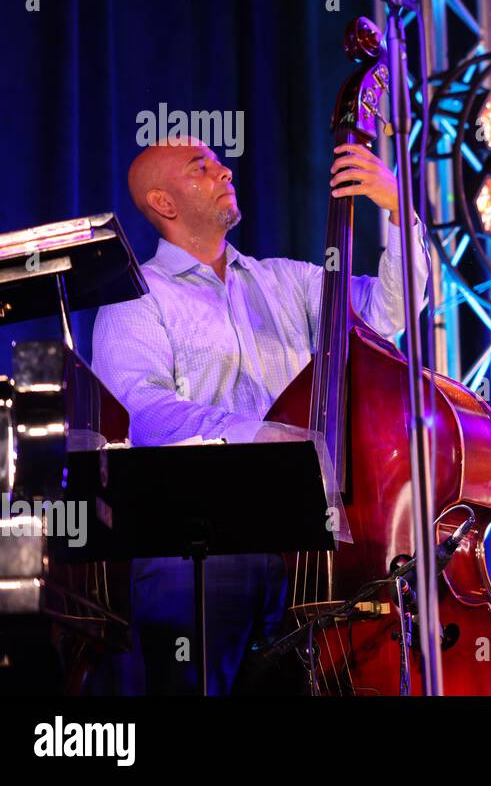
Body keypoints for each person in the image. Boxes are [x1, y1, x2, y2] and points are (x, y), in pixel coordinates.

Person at [92, 135, 422, 694]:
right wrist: (260, 438)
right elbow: (144, 414)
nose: (223, 170)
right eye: (201, 167)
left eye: (219, 160)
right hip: (202, 546)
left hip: (309, 545)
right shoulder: (136, 297)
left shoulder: (286, 281)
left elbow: (390, 310)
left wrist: (397, 208)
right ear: (164, 203)